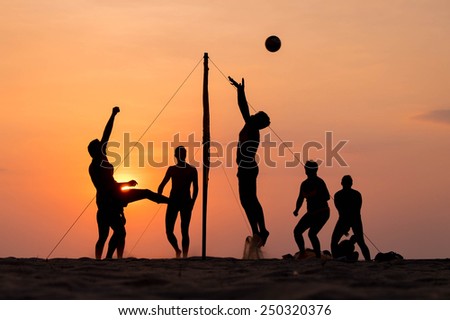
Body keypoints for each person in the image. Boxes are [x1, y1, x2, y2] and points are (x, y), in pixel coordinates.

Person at [88, 106, 169, 260]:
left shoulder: (103, 156)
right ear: (94, 151)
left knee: (144, 194)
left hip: (116, 195)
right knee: (107, 235)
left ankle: (117, 259)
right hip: (107, 201)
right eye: (99, 146)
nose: (103, 146)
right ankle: (105, 260)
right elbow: (106, 188)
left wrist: (113, 115)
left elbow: (106, 134)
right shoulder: (94, 167)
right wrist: (126, 184)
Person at [229, 76, 271, 247]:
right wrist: (240, 91)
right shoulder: (251, 127)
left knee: (250, 199)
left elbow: (243, 108)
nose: (252, 115)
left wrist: (240, 91)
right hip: (246, 167)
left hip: (247, 167)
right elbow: (245, 110)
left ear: (256, 121)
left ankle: (262, 230)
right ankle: (256, 232)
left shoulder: (252, 127)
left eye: (255, 115)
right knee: (247, 201)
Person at [158, 146, 198, 258]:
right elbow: (161, 185)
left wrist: (192, 202)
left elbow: (196, 188)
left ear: (185, 155)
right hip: (173, 202)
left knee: (184, 230)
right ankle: (177, 250)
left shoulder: (192, 170)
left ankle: (185, 255)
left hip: (186, 202)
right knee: (169, 231)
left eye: (183, 153)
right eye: (179, 154)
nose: (181, 156)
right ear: (175, 156)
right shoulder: (172, 169)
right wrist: (159, 198)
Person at [293, 160, 330, 258]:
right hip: (311, 213)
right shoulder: (304, 184)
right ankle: (302, 253)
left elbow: (327, 197)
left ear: (315, 170)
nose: (306, 170)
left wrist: (315, 196)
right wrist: (297, 210)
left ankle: (318, 256)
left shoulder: (320, 182)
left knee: (312, 234)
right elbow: (300, 198)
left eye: (308, 169)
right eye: (306, 168)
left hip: (322, 212)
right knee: (297, 231)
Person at [331, 175, 371, 261]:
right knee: (334, 242)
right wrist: (346, 226)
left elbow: (356, 210)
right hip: (347, 219)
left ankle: (368, 260)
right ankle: (338, 258)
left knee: (360, 242)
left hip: (353, 219)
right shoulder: (339, 195)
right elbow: (341, 211)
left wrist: (348, 225)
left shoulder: (355, 194)